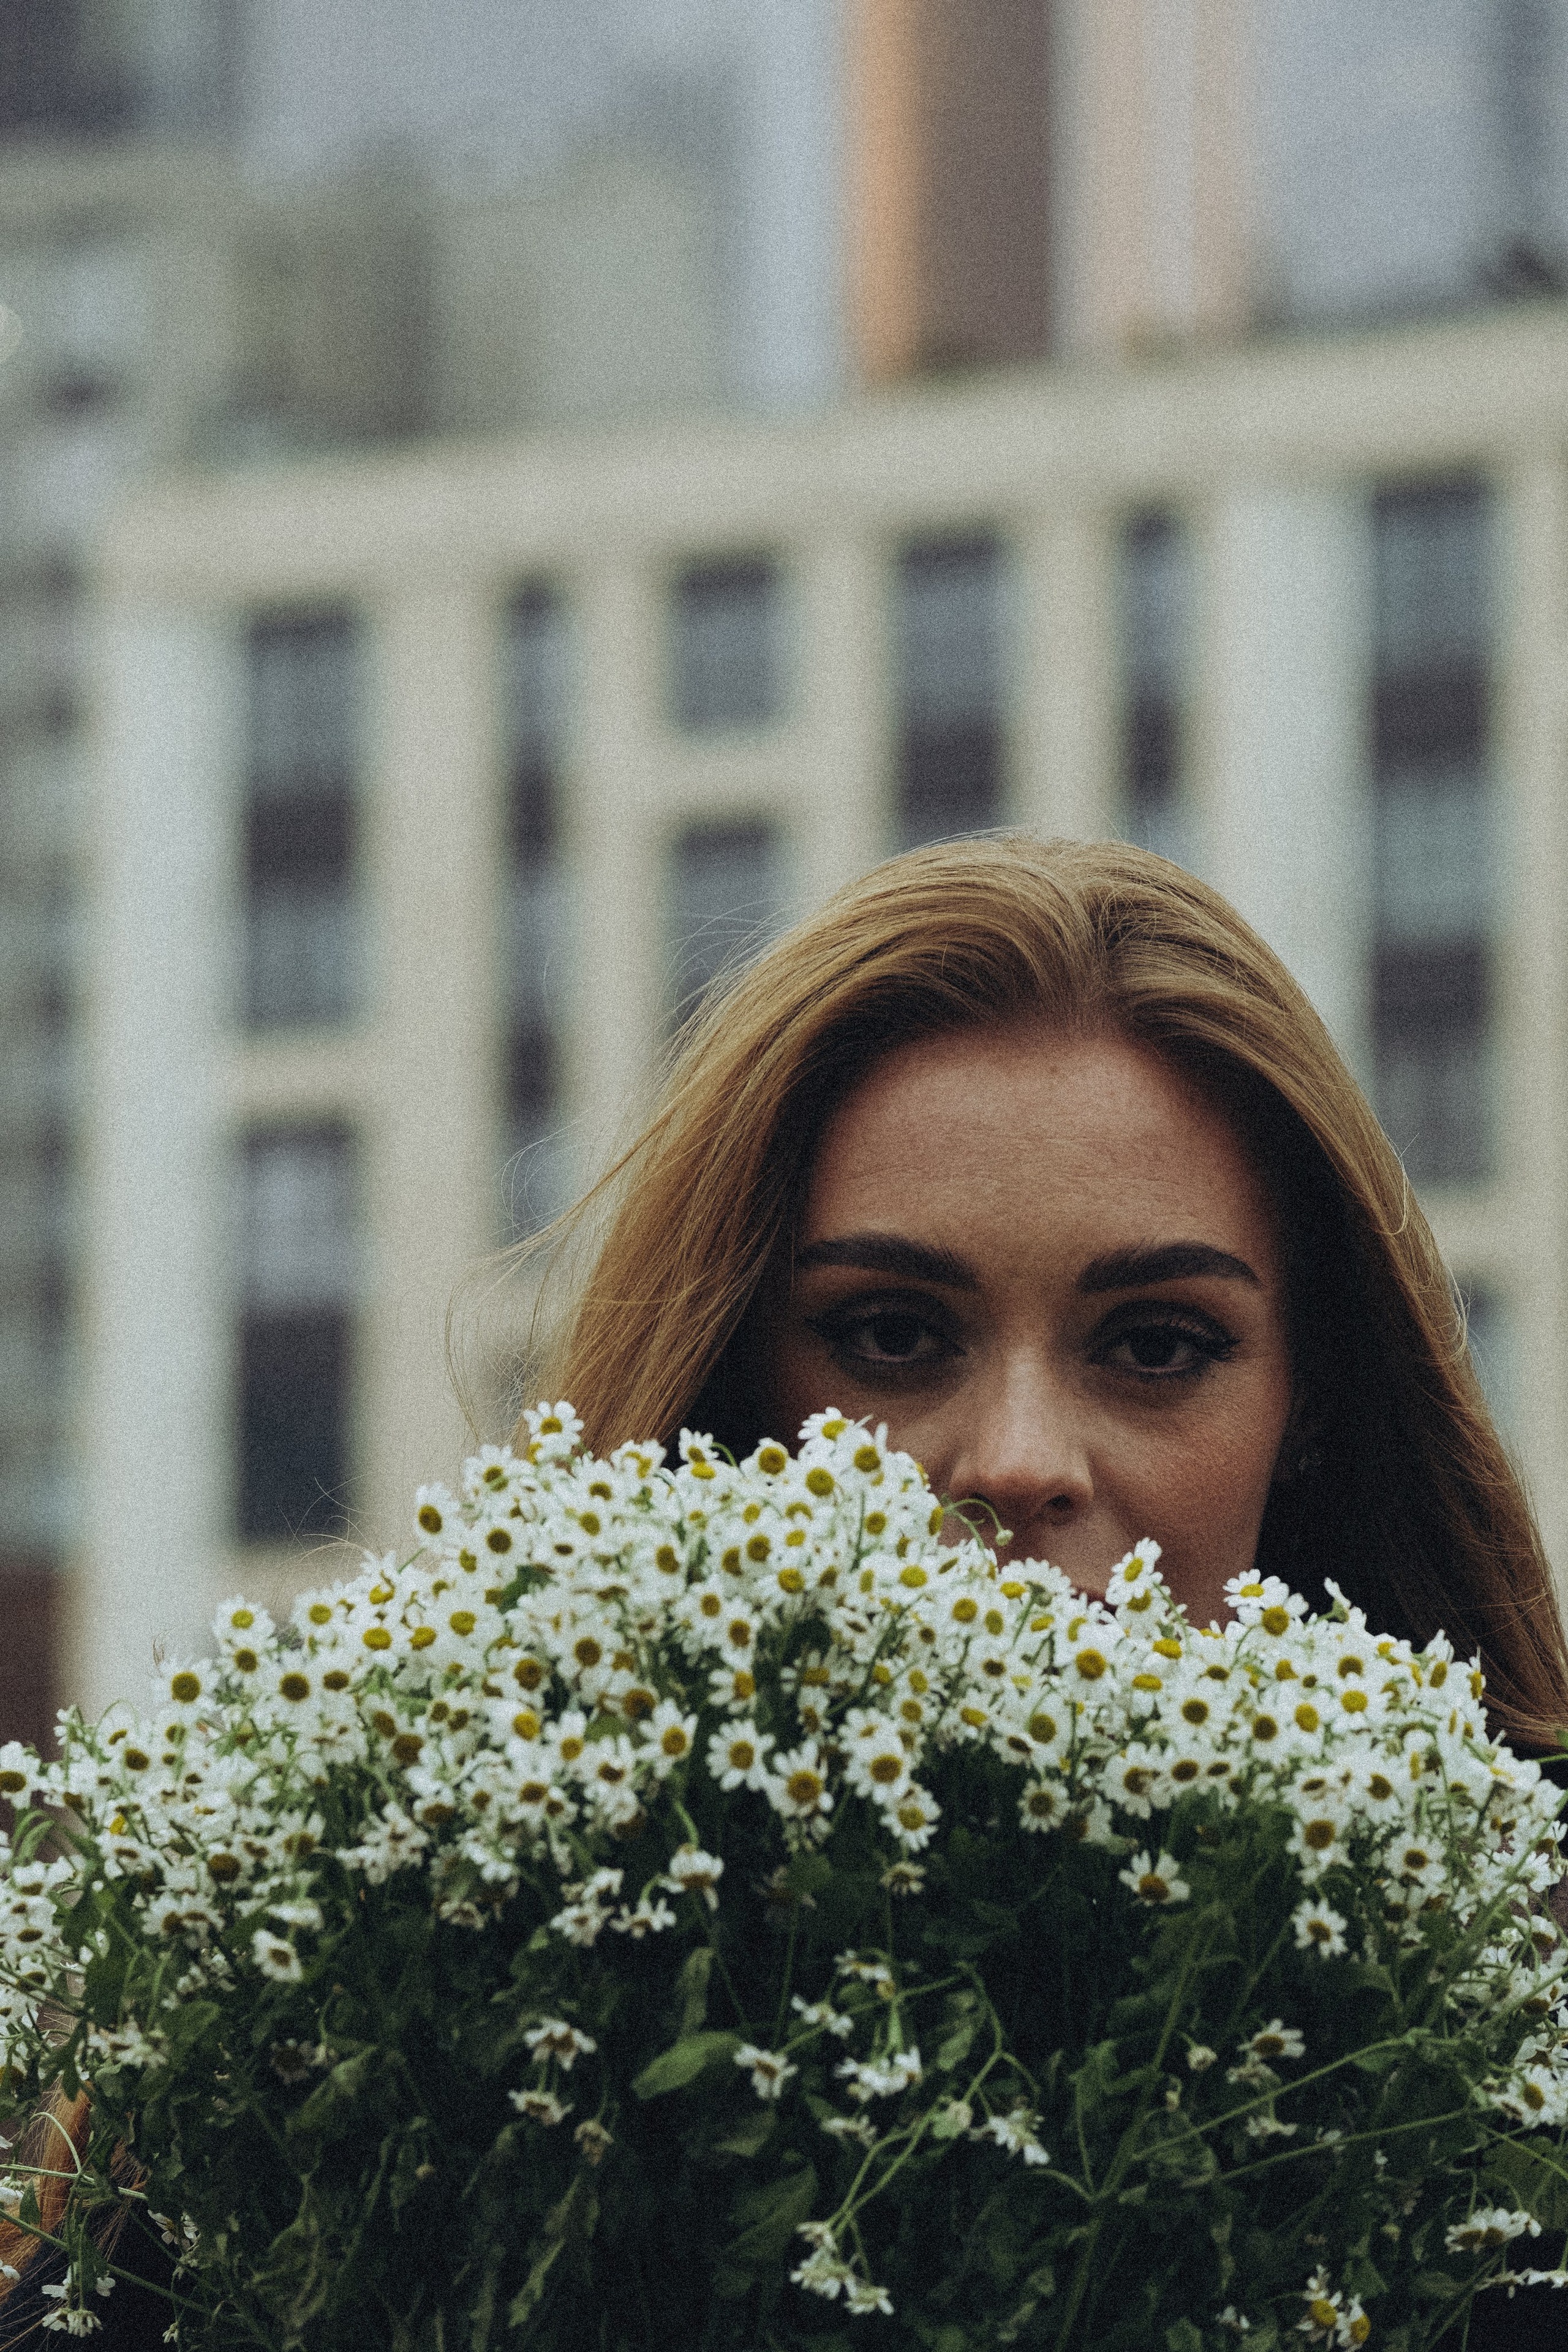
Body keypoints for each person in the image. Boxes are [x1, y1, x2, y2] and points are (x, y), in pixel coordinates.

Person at [6, 835, 1564, 2346]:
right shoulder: (354, 2058)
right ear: (726, 1403)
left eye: (1156, 1345)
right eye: (888, 1335)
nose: (1015, 1465)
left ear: (1310, 1420)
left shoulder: (1492, 2104)